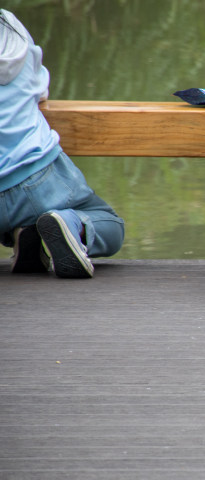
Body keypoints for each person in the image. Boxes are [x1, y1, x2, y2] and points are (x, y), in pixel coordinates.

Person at [0, 9, 124, 278]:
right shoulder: (10, 30)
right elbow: (39, 88)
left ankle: (27, 233)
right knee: (109, 223)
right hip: (35, 178)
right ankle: (70, 224)